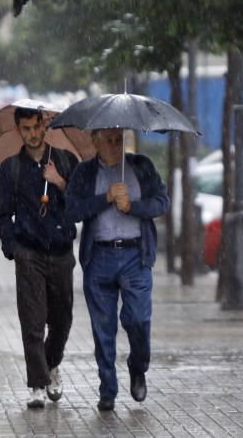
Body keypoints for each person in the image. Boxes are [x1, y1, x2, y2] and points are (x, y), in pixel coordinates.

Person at [65, 127, 169, 412]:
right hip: (99, 256)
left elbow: (162, 202)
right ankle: (107, 388)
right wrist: (105, 198)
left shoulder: (141, 166)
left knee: (138, 319)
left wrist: (132, 206)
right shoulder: (85, 173)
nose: (114, 145)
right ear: (95, 141)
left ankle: (138, 367)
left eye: (119, 139)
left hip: (136, 256)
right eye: (108, 140)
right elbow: (71, 211)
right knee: (103, 328)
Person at [0, 107, 79, 409]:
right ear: (18, 129)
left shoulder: (67, 161)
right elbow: (2, 217)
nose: (32, 134)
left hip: (61, 252)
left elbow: (78, 208)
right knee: (32, 323)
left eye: (36, 127)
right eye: (25, 128)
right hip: (29, 254)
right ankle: (38, 384)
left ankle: (52, 364)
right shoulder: (9, 169)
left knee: (62, 320)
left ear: (45, 126)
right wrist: (14, 247)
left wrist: (59, 182)